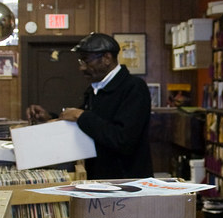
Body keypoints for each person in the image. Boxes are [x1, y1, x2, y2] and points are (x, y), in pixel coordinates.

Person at [26, 32, 153, 179]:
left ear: (106, 58)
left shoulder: (134, 87)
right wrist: (49, 118)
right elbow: (84, 125)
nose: (81, 68)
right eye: (81, 61)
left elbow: (123, 139)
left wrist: (81, 115)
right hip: (99, 177)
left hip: (126, 180)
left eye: (86, 61)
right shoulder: (95, 89)